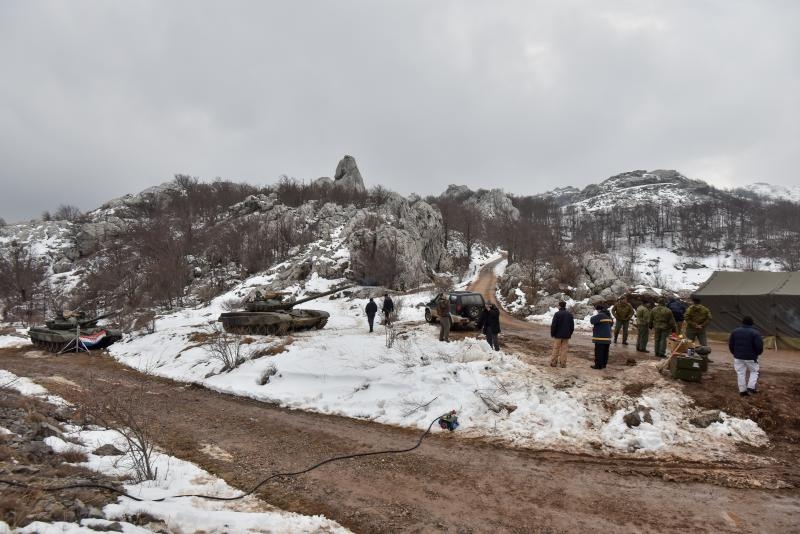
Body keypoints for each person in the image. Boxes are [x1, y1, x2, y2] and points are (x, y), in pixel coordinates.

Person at [728, 316, 763, 396]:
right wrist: (757, 354)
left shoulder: (735, 331)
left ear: (742, 322)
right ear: (752, 323)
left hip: (738, 357)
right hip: (751, 357)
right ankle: (751, 388)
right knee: (754, 371)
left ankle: (742, 391)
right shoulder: (755, 333)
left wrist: (735, 353)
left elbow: (731, 344)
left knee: (740, 373)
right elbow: (759, 346)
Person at [550, 301, 574, 367]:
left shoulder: (557, 314)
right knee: (564, 350)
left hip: (558, 335)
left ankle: (553, 363)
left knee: (556, 349)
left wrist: (552, 333)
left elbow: (554, 325)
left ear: (559, 306)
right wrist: (569, 333)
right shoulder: (569, 314)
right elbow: (572, 326)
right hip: (566, 335)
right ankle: (563, 364)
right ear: (565, 306)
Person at [590, 304, 613, 369]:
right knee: (605, 352)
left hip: (600, 337)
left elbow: (592, 320)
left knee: (599, 352)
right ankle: (603, 364)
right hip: (607, 337)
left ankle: (598, 365)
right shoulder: (609, 316)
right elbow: (611, 324)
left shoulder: (600, 315)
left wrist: (596, 315)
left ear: (599, 310)